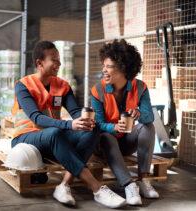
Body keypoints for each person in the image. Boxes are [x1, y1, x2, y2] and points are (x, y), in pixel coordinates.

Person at [11, 41, 126, 208]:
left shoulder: (62, 86)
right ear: (39, 63)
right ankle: (97, 188)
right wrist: (69, 125)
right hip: (26, 138)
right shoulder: (24, 86)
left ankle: (63, 186)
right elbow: (36, 118)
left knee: (91, 130)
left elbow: (75, 112)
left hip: (53, 139)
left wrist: (86, 120)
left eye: (59, 60)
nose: (59, 64)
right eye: (54, 60)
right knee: (55, 133)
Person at [91, 39, 159, 206]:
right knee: (106, 135)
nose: (104, 70)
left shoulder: (140, 87)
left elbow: (149, 117)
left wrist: (139, 114)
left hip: (126, 143)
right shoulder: (97, 90)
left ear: (123, 68)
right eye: (104, 65)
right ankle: (129, 185)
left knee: (147, 127)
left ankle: (143, 180)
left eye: (108, 66)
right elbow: (98, 124)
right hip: (104, 145)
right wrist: (113, 127)